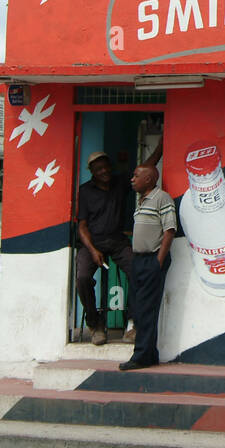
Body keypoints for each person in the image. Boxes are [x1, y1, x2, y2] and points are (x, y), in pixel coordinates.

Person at [76, 142, 162, 345]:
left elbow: (147, 166)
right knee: (82, 278)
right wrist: (93, 250)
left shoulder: (120, 182)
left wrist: (161, 145)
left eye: (106, 166)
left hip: (117, 240)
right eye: (98, 169)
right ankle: (95, 324)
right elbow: (82, 226)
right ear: (92, 172)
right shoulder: (85, 191)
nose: (104, 171)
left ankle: (132, 324)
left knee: (137, 270)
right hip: (92, 243)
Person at [119, 164, 176, 371]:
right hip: (139, 260)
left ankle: (141, 355)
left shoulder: (162, 198)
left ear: (150, 179)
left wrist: (158, 262)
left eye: (136, 176)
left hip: (152, 259)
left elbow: (169, 231)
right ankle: (150, 354)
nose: (132, 179)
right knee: (138, 307)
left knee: (146, 309)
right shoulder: (141, 200)